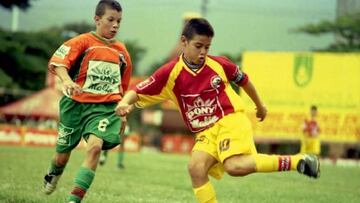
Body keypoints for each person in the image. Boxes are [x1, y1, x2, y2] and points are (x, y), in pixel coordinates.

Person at [115, 18, 320, 203]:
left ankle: (298, 161)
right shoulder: (170, 73)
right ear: (183, 41)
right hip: (206, 132)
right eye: (198, 46)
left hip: (230, 120)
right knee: (196, 168)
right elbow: (138, 90)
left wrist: (260, 105)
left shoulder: (219, 64)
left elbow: (245, 81)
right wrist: (125, 102)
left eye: (207, 46)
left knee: (235, 167)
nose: (203, 52)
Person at [42, 1, 132, 202]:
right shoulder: (82, 42)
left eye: (119, 21)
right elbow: (58, 63)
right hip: (74, 105)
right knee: (62, 156)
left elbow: (123, 89)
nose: (116, 25)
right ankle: (54, 172)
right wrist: (66, 80)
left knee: (94, 148)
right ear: (97, 19)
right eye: (111, 20)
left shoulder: (122, 52)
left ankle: (74, 200)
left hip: (103, 109)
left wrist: (123, 110)